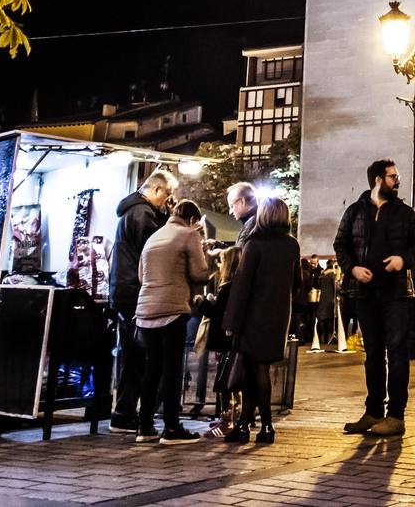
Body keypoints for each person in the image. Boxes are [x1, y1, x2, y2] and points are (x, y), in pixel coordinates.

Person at [335, 159, 415, 438]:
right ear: (377, 180)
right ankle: (373, 411)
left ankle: (396, 415)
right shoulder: (355, 211)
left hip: (397, 292)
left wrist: (403, 259)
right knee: (373, 353)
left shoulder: (404, 213)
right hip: (365, 293)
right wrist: (352, 268)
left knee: (397, 352)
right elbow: (341, 245)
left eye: (396, 176)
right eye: (392, 176)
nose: (397, 180)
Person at [221, 196, 299, 446]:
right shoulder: (292, 245)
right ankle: (250, 424)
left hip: (253, 314)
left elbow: (242, 285)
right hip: (278, 314)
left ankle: (262, 426)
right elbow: (297, 282)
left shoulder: (254, 244)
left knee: (256, 369)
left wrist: (231, 322)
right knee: (260, 368)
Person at [132, 198, 210, 444]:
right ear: (193, 219)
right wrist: (209, 256)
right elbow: (200, 273)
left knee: (151, 369)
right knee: (172, 370)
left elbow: (141, 276)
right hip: (172, 309)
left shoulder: (154, 237)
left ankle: (144, 427)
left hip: (145, 309)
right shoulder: (189, 234)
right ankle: (172, 427)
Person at [107, 169, 173, 432]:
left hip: (124, 290)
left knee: (133, 355)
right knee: (138, 356)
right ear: (156, 190)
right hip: (134, 292)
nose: (168, 200)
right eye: (167, 194)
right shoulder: (142, 214)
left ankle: (124, 411)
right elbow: (155, 249)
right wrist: (171, 221)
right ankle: (124, 413)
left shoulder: (131, 211)